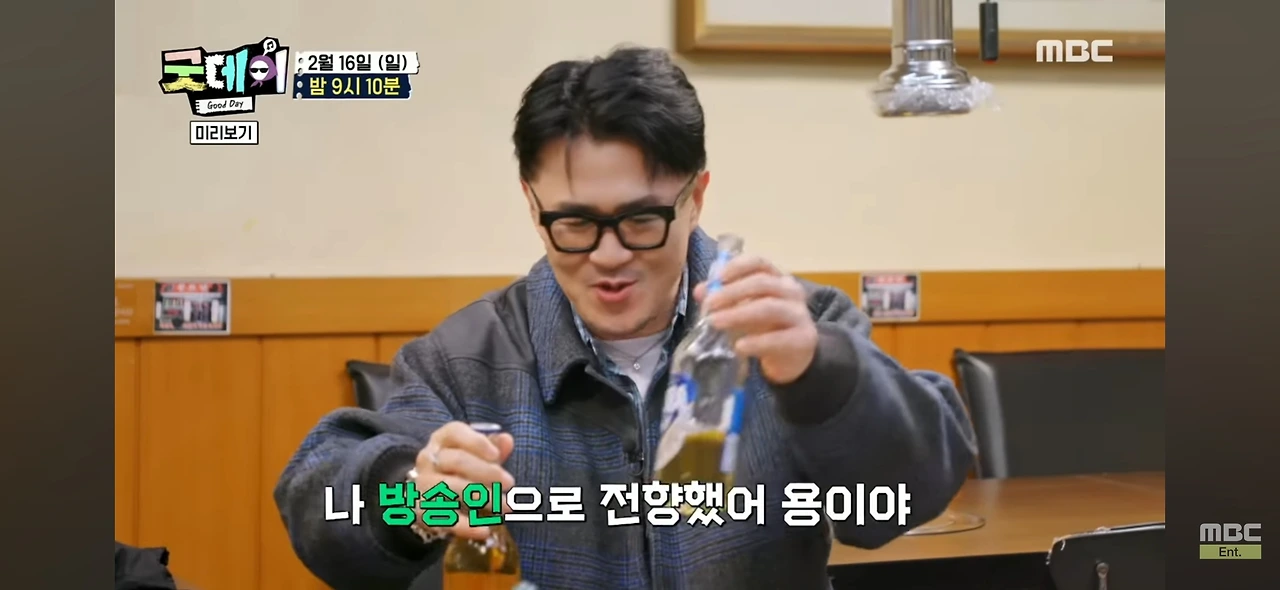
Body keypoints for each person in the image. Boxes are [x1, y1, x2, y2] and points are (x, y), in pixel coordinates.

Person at [275, 45, 977, 590]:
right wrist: (409, 498)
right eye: (574, 224)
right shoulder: (467, 361)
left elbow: (907, 499)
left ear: (696, 198)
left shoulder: (792, 332)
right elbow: (320, 507)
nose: (609, 258)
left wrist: (822, 375)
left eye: (641, 220)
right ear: (533, 205)